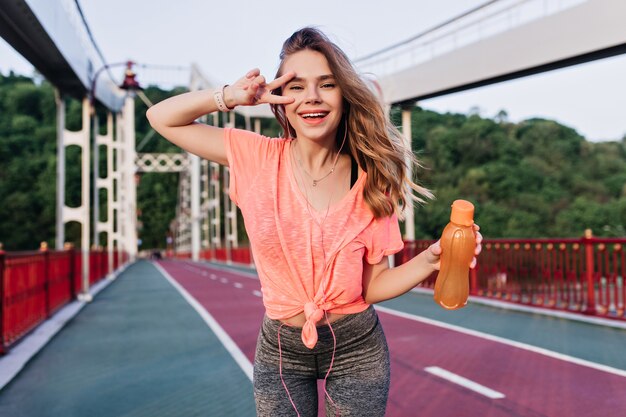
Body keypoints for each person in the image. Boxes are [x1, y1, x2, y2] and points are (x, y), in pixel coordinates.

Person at [147, 27, 482, 417]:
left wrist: (431, 260)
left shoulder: (371, 179)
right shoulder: (255, 157)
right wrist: (230, 97)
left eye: (327, 84)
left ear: (344, 95)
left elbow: (372, 287)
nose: (312, 98)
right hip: (281, 349)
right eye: (297, 86)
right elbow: (161, 117)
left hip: (357, 347)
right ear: (281, 98)